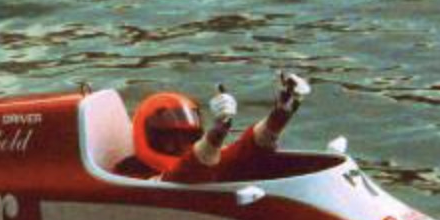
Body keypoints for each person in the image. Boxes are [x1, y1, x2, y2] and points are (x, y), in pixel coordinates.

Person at [116, 72, 310, 183]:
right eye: (171, 141)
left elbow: (238, 155)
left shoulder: (200, 160)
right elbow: (183, 174)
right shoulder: (129, 179)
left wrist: (278, 117)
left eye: (187, 139)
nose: (182, 146)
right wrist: (216, 133)